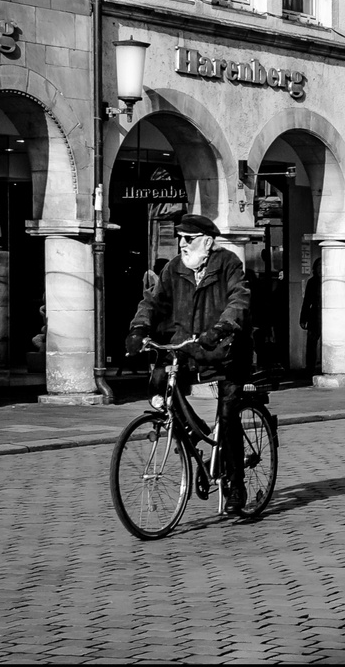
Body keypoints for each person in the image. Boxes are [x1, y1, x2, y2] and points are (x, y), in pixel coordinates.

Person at [126, 214, 253, 510]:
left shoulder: (228, 264)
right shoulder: (174, 268)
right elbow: (152, 302)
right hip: (188, 350)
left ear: (207, 242)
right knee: (159, 386)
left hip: (226, 351)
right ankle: (197, 434)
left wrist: (222, 328)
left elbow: (239, 301)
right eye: (180, 237)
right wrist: (138, 328)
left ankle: (235, 485)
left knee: (229, 413)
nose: (182, 243)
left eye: (189, 239)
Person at [299, 257, 323, 371]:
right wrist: (303, 318)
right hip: (315, 315)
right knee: (312, 342)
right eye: (318, 266)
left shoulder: (330, 282)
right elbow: (307, 301)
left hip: (329, 315)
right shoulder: (312, 282)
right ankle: (310, 367)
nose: (320, 269)